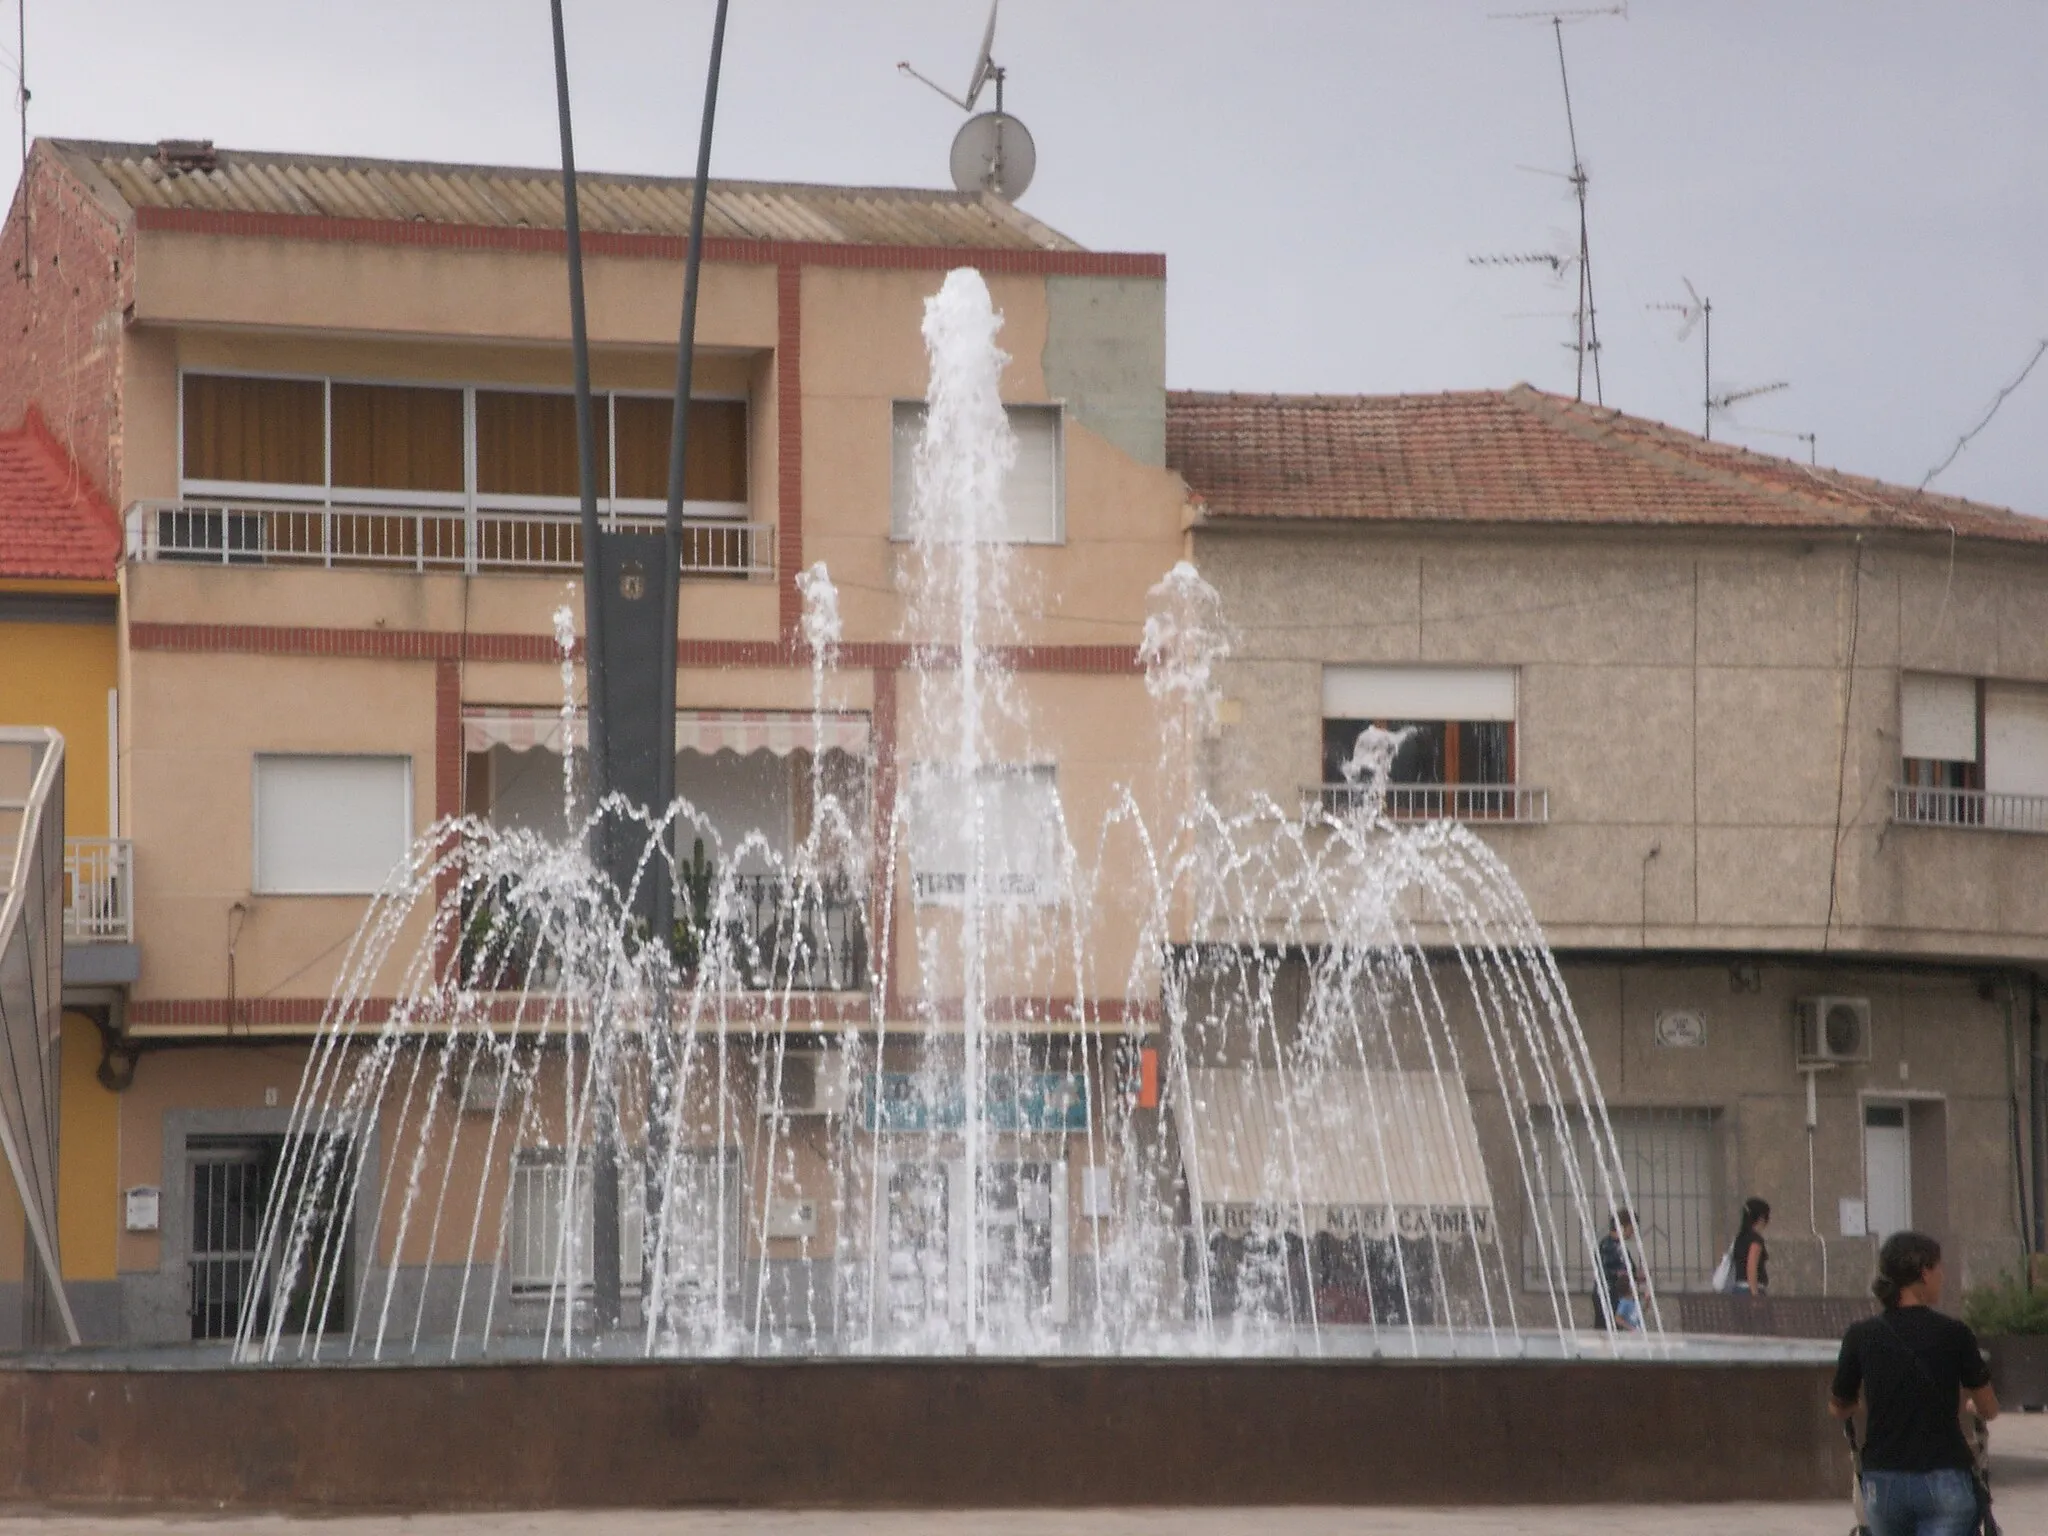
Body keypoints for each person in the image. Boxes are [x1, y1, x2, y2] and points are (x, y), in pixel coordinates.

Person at [1830, 1231, 1998, 1536]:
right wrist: (1973, 1406)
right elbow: (1988, 1407)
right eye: (1939, 1269)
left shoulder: (1861, 1335)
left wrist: (1860, 1404)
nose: (1942, 1277)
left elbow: (1839, 1405)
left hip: (1883, 1482)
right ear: (1924, 1273)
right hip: (1944, 1476)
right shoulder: (1954, 1333)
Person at [1595, 1209, 1645, 1331]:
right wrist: (1621, 1274)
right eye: (1631, 1228)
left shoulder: (1619, 1246)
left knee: (1616, 1332)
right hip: (1607, 1294)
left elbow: (1627, 1271)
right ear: (1623, 1226)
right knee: (1607, 1331)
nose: (1632, 1233)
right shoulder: (1607, 1245)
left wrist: (1636, 1275)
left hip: (1618, 1296)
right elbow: (1603, 1270)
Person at [1727, 1196, 1770, 1295]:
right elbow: (1751, 1267)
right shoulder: (1756, 1240)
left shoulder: (1739, 1238)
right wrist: (1755, 1295)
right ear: (1761, 1218)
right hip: (1751, 1290)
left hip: (1737, 1289)